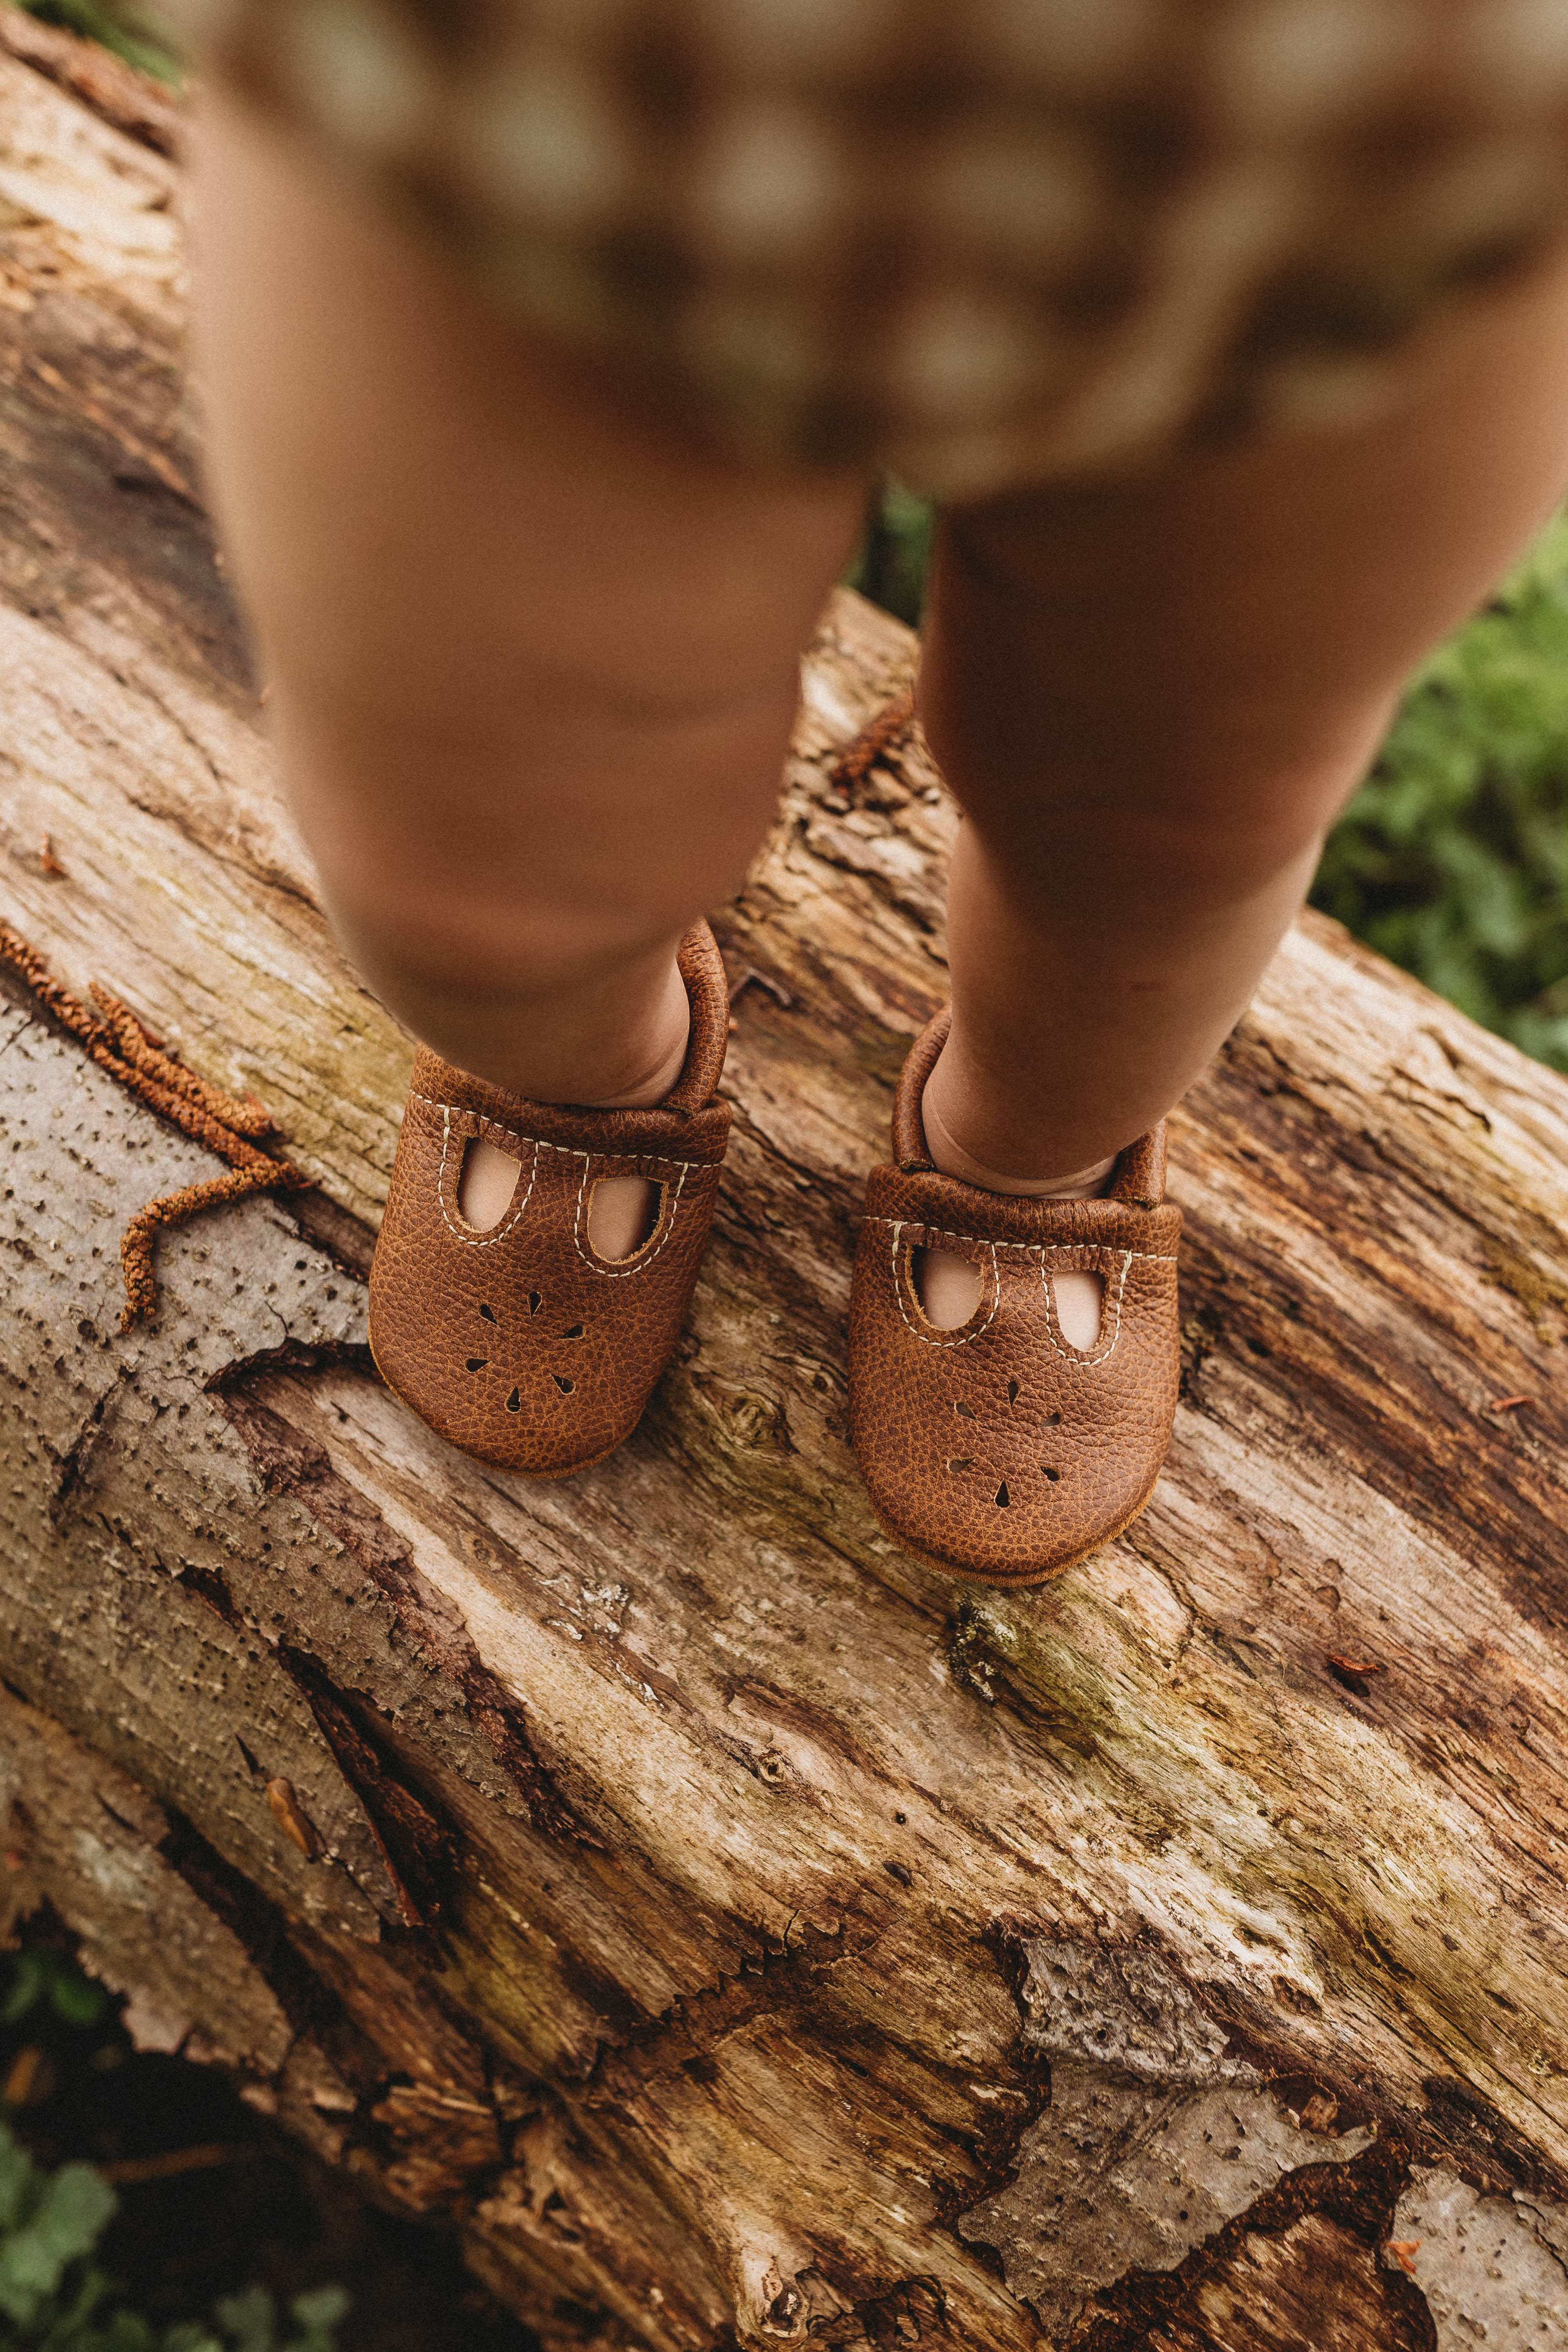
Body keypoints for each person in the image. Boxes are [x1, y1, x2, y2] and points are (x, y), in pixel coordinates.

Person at [177, 0, 1568, 1582]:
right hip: (530, 106)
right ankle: (586, 1068)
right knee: (476, 869)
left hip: (1352, 147)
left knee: (1165, 822)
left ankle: (1031, 1147)